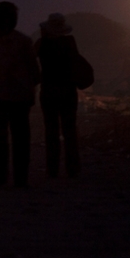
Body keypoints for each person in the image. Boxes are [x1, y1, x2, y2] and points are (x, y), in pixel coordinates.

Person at [0, 1, 40, 188]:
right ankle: (0, 177)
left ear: (5, 21)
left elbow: (34, 71)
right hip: (2, 94)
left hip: (18, 96)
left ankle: (18, 178)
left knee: (19, 138)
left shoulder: (24, 42)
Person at [35, 13, 81, 178]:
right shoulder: (70, 42)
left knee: (51, 131)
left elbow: (31, 62)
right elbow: (76, 62)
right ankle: (73, 168)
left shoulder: (41, 44)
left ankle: (52, 169)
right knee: (70, 130)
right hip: (68, 90)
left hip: (48, 91)